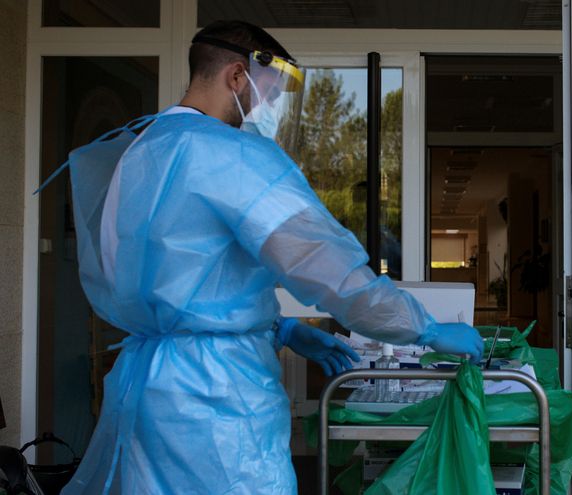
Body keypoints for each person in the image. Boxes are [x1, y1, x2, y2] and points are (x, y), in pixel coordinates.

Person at [49, 20, 484, 494]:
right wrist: (427, 329)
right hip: (217, 402)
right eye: (268, 91)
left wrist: (282, 328)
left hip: (148, 391)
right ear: (236, 76)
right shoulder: (230, 155)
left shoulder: (141, 152)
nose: (268, 106)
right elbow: (327, 268)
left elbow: (178, 280)